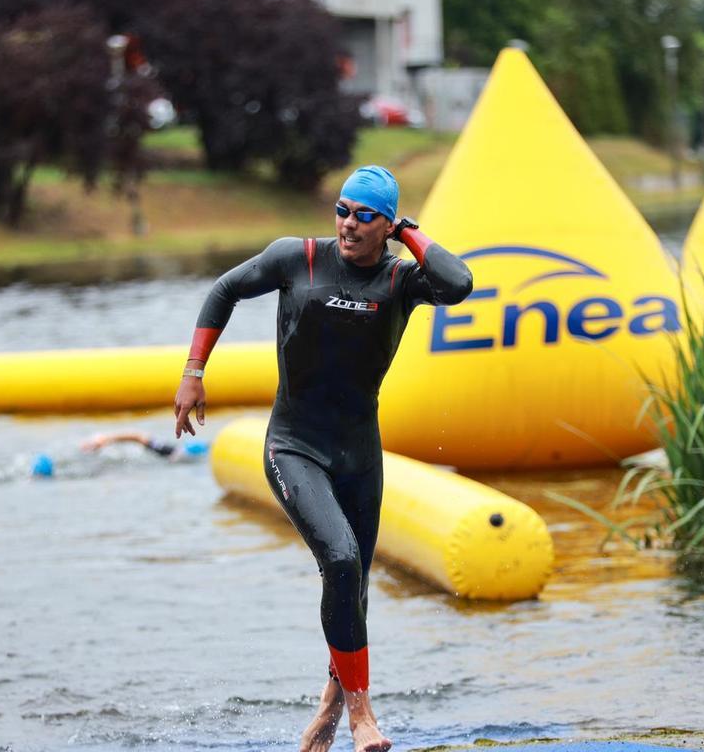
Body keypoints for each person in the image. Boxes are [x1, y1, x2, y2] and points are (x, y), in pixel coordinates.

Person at [174, 165, 473, 752]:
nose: (348, 224)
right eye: (342, 209)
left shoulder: (400, 280)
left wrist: (409, 233)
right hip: (294, 447)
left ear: (386, 225)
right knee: (338, 559)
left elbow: (458, 283)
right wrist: (193, 371)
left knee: (353, 586)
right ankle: (363, 715)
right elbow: (224, 289)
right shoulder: (298, 258)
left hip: (360, 455)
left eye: (365, 216)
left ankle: (327, 717)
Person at [78, 431, 210, 461]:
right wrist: (107, 439)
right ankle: (102, 440)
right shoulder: (171, 452)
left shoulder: (172, 452)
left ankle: (102, 440)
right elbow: (138, 438)